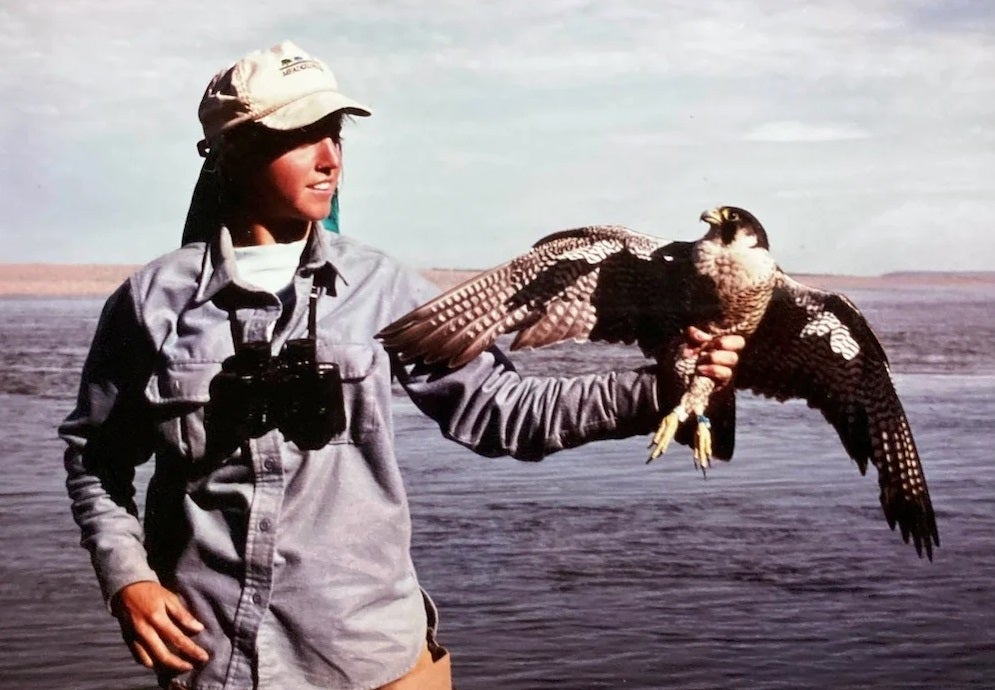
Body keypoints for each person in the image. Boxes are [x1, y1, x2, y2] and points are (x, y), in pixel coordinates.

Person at [60, 40, 745, 690]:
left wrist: (665, 387)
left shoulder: (381, 288)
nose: (330, 157)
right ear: (233, 152)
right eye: (304, 135)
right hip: (216, 662)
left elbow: (502, 411)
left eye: (337, 134)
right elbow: (96, 459)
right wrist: (129, 579)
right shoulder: (152, 302)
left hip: (373, 660)